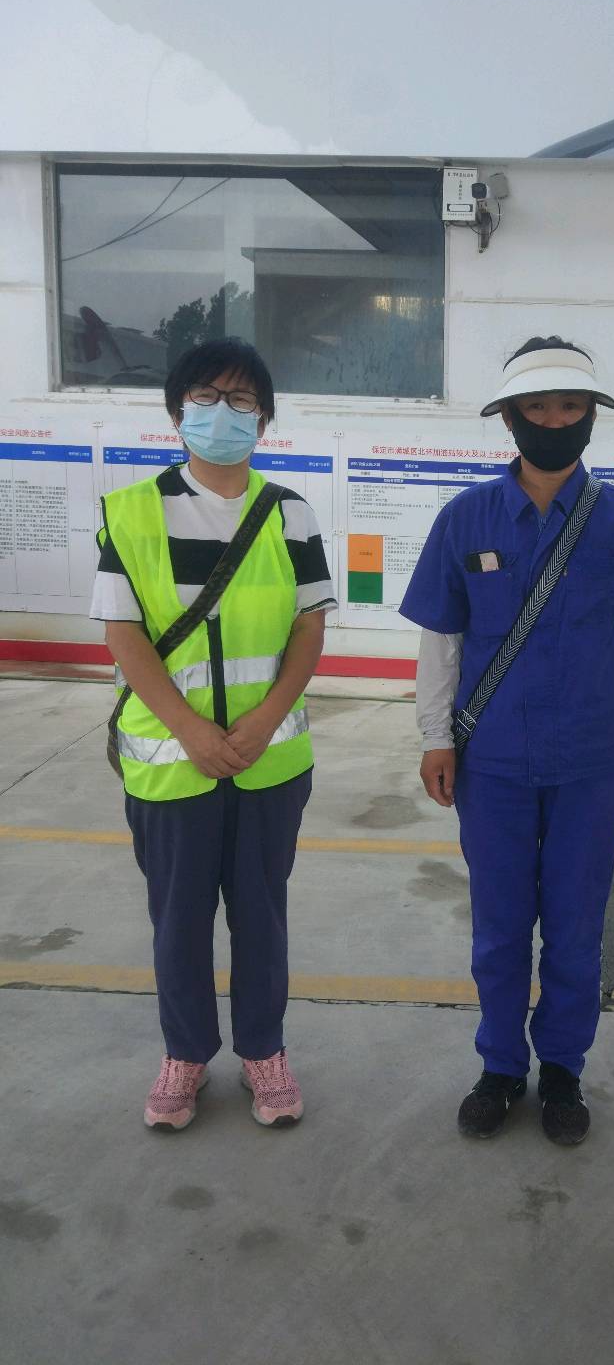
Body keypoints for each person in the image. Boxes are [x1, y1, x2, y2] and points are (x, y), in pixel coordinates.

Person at [400, 337, 614, 1145]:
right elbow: (441, 638)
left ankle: (562, 1070)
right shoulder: (466, 518)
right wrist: (435, 736)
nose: (554, 420)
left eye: (570, 406)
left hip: (590, 761)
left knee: (576, 926)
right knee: (498, 927)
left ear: (591, 414)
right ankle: (499, 1067)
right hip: (492, 763)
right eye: (537, 407)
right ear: (510, 418)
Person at [91, 338, 336, 1131]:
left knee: (261, 918)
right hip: (171, 764)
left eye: (241, 399)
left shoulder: (291, 512)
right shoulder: (132, 511)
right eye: (206, 397)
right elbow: (124, 634)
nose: (222, 413)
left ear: (263, 419)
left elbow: (308, 628)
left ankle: (264, 1051)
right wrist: (192, 731)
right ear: (177, 412)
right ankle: (186, 1054)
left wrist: (261, 722)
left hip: (270, 763)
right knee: (179, 922)